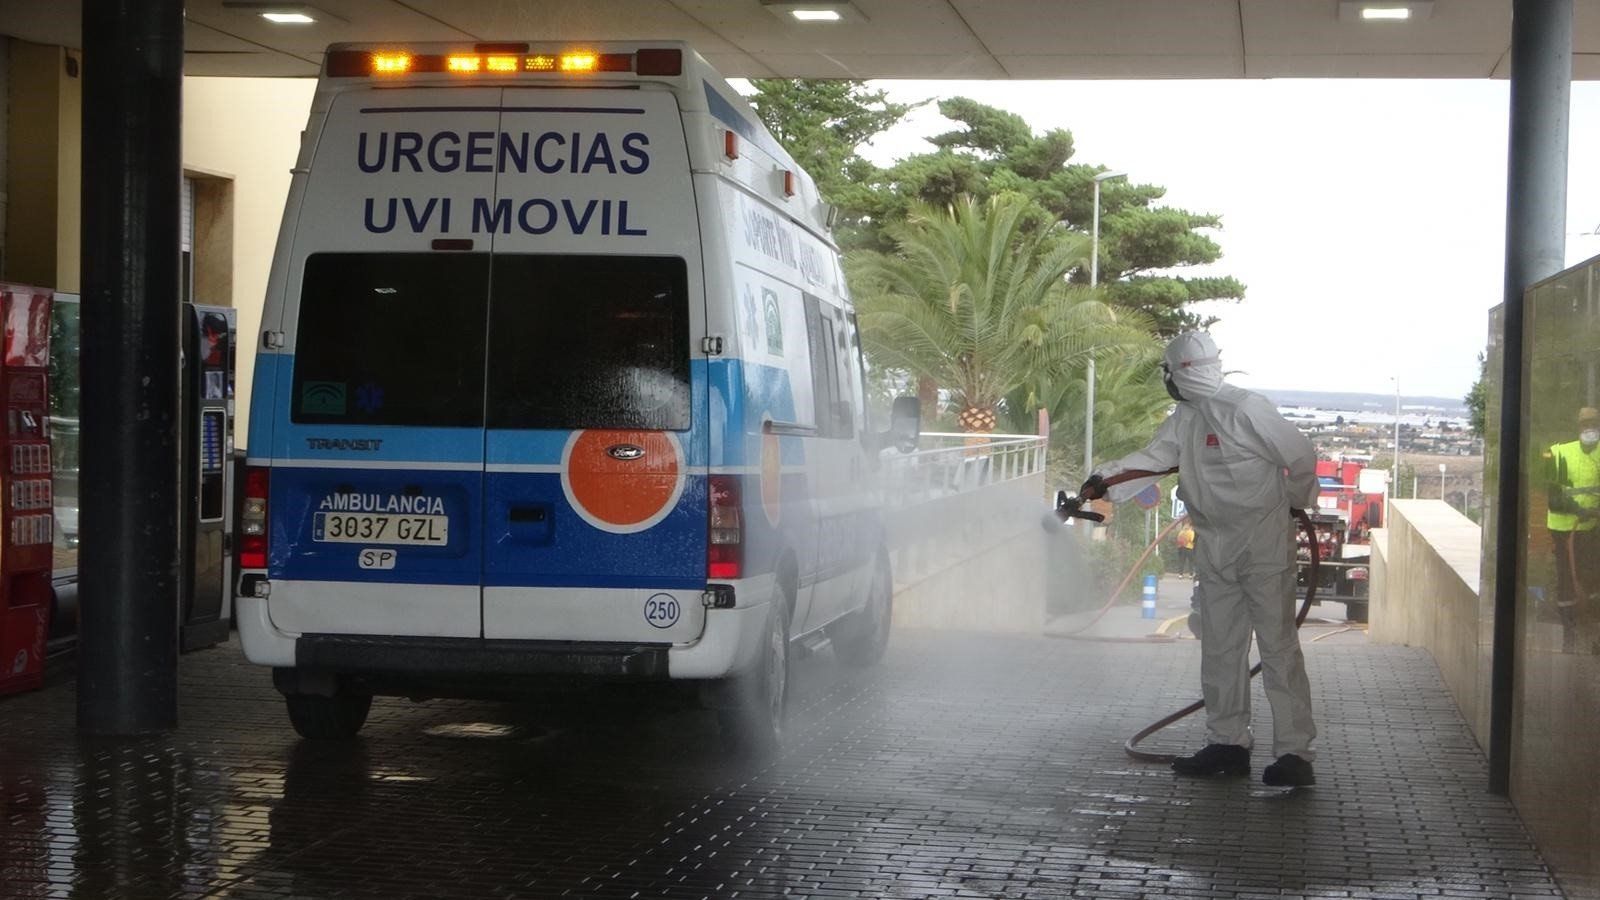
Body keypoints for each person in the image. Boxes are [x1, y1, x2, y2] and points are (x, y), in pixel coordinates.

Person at [1078, 332, 1320, 787]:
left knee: (1277, 648)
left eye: (1169, 373)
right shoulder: (1186, 418)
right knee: (1221, 646)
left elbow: (1300, 455)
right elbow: (1153, 460)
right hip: (1216, 545)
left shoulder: (1247, 408)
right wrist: (1103, 481)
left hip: (1264, 546)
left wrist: (1293, 500)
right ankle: (1228, 743)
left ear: (1181, 372)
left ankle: (1294, 754)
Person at [1543, 407, 1600, 651]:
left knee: (1592, 578)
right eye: (1585, 424)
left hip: (1592, 528)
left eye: (1593, 424)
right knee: (1567, 578)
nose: (1589, 429)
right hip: (1564, 530)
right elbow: (1554, 498)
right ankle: (1570, 633)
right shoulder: (1559, 453)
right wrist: (1580, 510)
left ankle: (1591, 630)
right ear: (1578, 427)